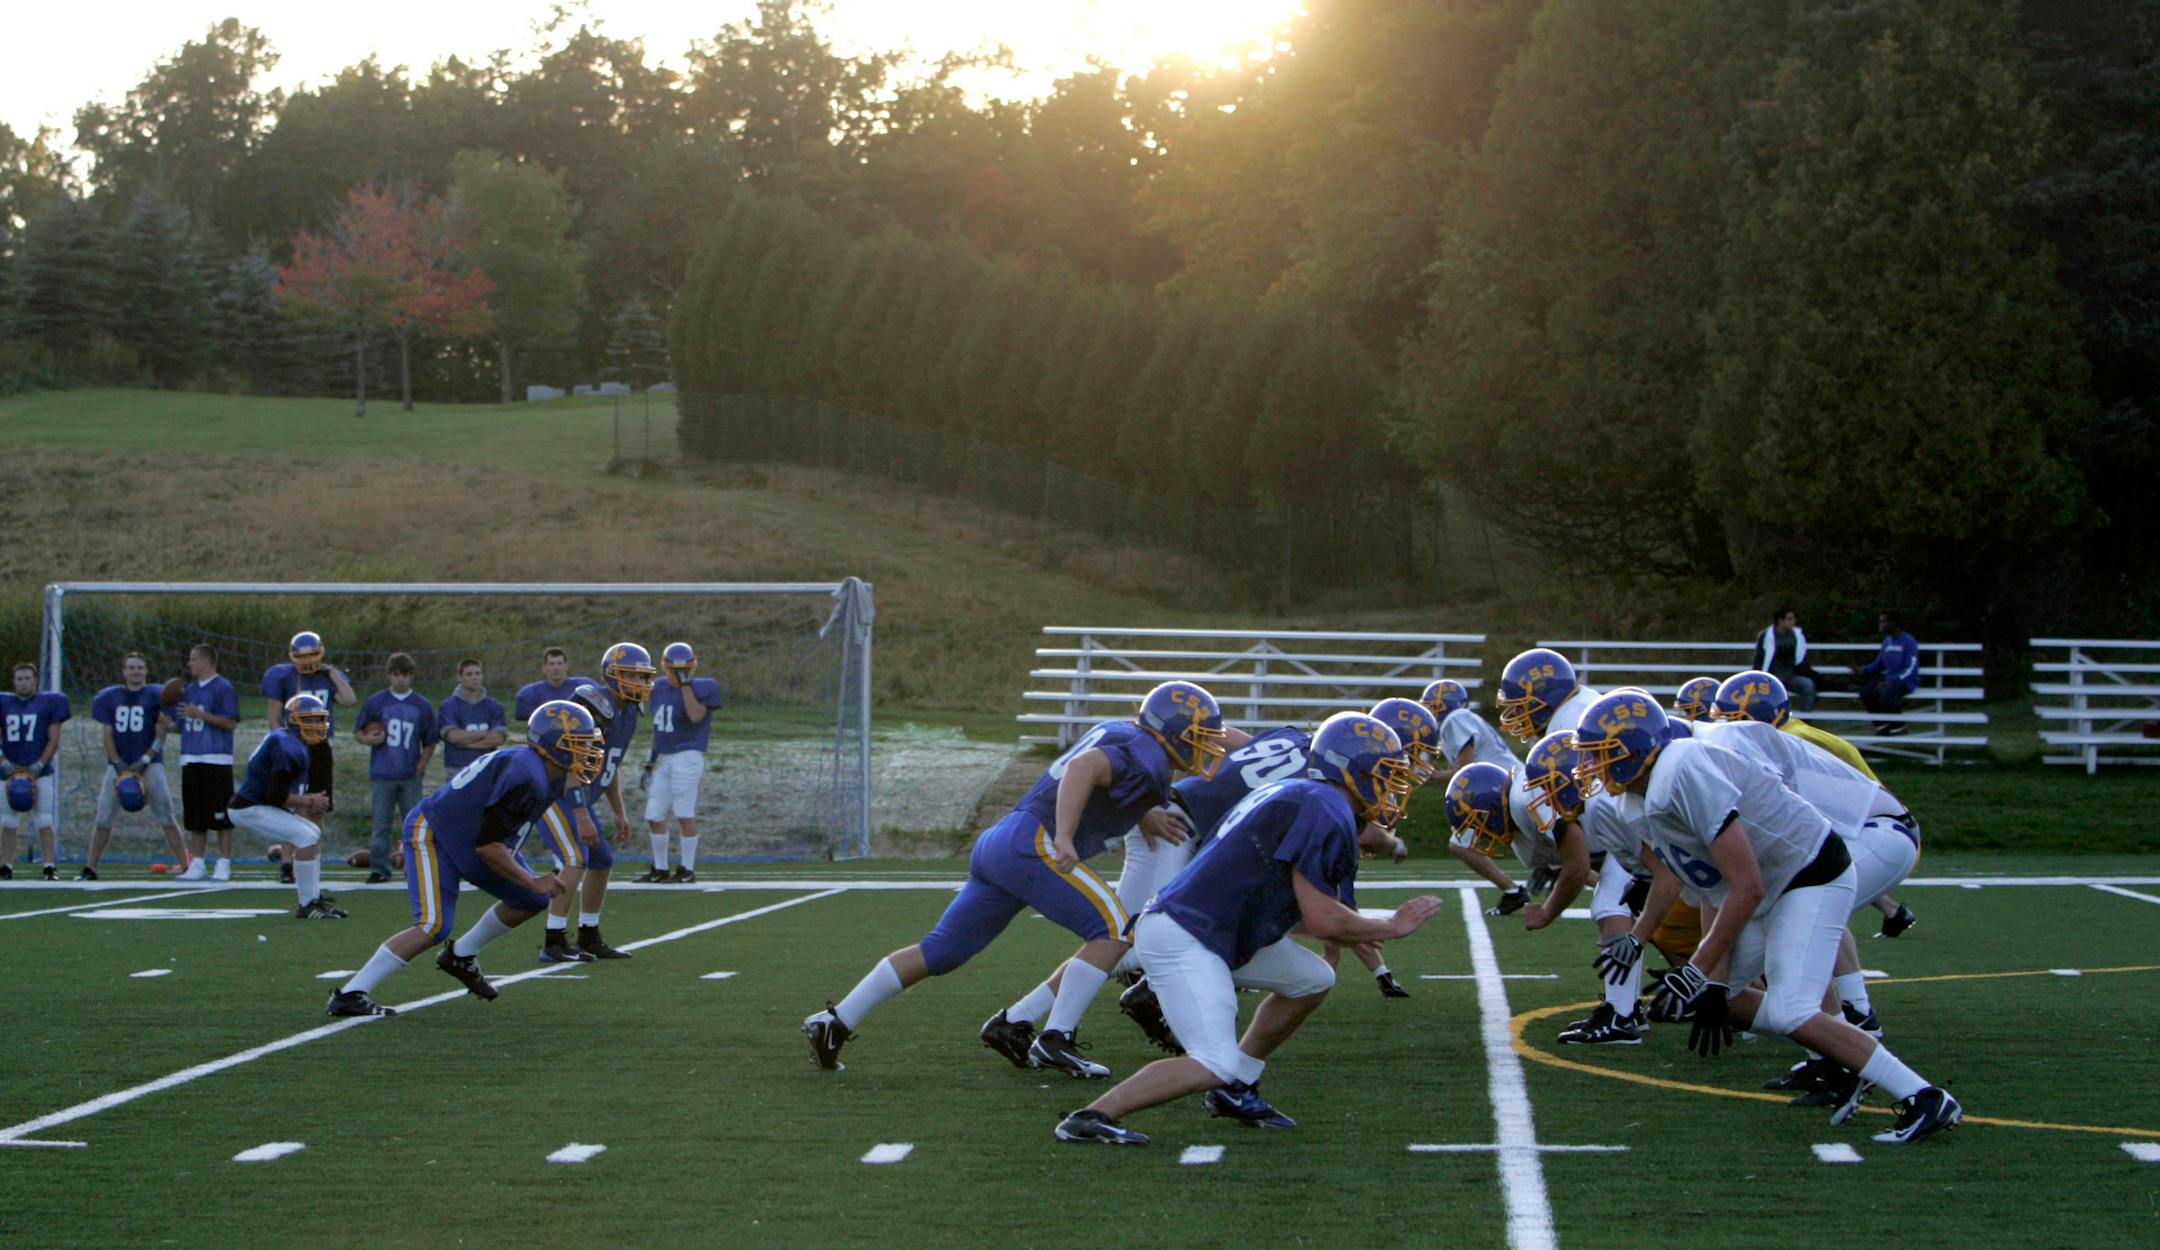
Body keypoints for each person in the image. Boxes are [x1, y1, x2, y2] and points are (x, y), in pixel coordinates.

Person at [1571, 690, 1962, 1145]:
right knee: (1733, 1002)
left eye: (1603, 755)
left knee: (1792, 1010)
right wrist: (1713, 984)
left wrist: (1696, 968)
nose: (1593, 768)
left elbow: (1747, 885)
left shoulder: (1682, 768)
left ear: (1638, 751)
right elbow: (1713, 890)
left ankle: (1924, 1096)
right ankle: (1847, 1058)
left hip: (1810, 875)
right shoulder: (1636, 802)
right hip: (1772, 884)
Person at [1052, 712, 1443, 1145]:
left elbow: (1311, 914)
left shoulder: (1306, 796)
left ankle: (1238, 1086)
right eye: (1383, 774)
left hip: (1214, 928)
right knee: (1211, 1062)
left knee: (1311, 979)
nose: (1391, 787)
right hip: (1187, 934)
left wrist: (1353, 928)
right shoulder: (1324, 806)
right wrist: (1393, 925)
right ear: (1347, 767)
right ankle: (1091, 1117)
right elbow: (1323, 919)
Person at [804, 681, 1230, 1076]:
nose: (1204, 747)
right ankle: (1055, 1037)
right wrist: (1063, 835)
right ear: (1173, 731)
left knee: (941, 951)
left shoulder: (1126, 734)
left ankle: (835, 1020)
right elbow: (1083, 769)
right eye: (1199, 736)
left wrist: (1142, 812)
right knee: (1115, 930)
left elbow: (1101, 781)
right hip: (1034, 843)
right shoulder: (1147, 754)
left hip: (1002, 844)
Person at [325, 701, 603, 1017]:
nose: (587, 753)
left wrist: (579, 817)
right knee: (433, 925)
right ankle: (349, 994)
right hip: (436, 834)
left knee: (530, 900)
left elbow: (493, 837)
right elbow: (488, 846)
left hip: (472, 839)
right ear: (553, 746)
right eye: (579, 745)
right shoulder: (528, 774)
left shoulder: (543, 768)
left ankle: (461, 955)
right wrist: (532, 880)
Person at [1713, 671, 1917, 936]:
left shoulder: (1793, 740)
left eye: (1735, 720)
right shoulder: (1778, 735)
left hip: (1865, 826)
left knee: (1802, 911)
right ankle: (1890, 914)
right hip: (1843, 823)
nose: (1725, 729)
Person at [531, 644, 654, 962]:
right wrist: (583, 814)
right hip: (555, 797)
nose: (639, 683)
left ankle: (589, 935)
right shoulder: (594, 705)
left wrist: (619, 811)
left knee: (601, 861)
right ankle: (553, 940)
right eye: (631, 675)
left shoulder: (627, 710)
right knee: (575, 860)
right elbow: (575, 761)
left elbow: (607, 765)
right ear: (611, 674)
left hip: (579, 799)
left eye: (643, 676)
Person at [228, 694, 345, 919]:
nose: (317, 726)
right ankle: (307, 904)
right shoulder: (286, 745)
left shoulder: (294, 742)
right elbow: (276, 795)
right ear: (293, 720)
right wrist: (310, 801)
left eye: (320, 720)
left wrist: (307, 798)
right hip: (248, 808)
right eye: (309, 720)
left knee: (311, 832)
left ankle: (313, 899)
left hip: (259, 804)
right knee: (306, 836)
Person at [81, 653, 190, 879]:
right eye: (131, 667)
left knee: (166, 816)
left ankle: (186, 867)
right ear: (123, 671)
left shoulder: (156, 694)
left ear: (146, 670)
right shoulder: (110, 697)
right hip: (118, 765)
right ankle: (90, 868)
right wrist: (117, 762)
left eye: (140, 667)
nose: (136, 671)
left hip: (150, 764)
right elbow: (107, 734)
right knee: (103, 818)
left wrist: (146, 759)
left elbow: (162, 731)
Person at [262, 632, 357, 883]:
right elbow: (273, 717)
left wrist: (333, 672)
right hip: (293, 746)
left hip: (319, 747)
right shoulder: (284, 677)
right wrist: (281, 743)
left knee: (317, 806)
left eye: (311, 655)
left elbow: (349, 699)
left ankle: (310, 860)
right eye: (301, 656)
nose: (306, 661)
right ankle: (286, 863)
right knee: (290, 807)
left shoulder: (326, 678)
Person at [638, 641, 723, 883]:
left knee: (684, 813)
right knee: (654, 814)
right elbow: (658, 729)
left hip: (688, 755)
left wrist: (685, 685)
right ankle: (661, 868)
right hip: (665, 757)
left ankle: (687, 869)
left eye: (684, 669)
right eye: (675, 670)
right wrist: (650, 761)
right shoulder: (658, 688)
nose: (679, 673)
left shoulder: (702, 687)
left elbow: (696, 716)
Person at [355, 654, 438, 885]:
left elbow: (431, 740)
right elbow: (359, 731)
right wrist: (369, 740)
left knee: (414, 825)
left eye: (405, 675)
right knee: (380, 825)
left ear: (412, 675)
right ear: (390, 675)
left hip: (410, 774)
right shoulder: (376, 702)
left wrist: (421, 765)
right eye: (397, 675)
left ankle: (414, 868)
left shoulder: (422, 705)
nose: (401, 679)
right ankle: (380, 869)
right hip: (383, 773)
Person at [172, 644, 241, 882]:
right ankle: (198, 862)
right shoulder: (189, 690)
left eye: (193, 659)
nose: (189, 664)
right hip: (191, 756)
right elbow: (182, 725)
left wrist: (200, 715)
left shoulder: (223, 687)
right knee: (195, 816)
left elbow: (230, 722)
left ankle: (223, 863)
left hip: (216, 758)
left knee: (221, 816)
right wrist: (164, 724)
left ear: (206, 661)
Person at [1, 661, 69, 880]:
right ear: (14, 681)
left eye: (27, 678)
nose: (23, 683)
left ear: (35, 680)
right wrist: (2, 761)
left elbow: (54, 738)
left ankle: (49, 866)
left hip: (40, 770)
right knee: (7, 820)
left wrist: (40, 763)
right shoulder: (4, 702)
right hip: (8, 770)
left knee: (43, 819)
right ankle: (6, 866)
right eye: (19, 678)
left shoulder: (48, 702)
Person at [1494, 648, 1603, 744]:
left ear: (1543, 699)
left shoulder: (1569, 721)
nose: (1515, 713)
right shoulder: (1580, 698)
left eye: (1520, 707)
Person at [1421, 678, 1516, 777]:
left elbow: (1465, 772)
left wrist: (1434, 774)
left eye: (1432, 707)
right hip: (1508, 781)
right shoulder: (1461, 719)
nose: (1428, 713)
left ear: (1443, 706)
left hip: (1512, 784)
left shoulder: (1456, 717)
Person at [437, 659, 508, 777]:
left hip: (487, 766)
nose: (474, 677)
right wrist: (484, 734)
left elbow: (497, 739)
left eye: (477, 673)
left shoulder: (494, 706)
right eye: (469, 674)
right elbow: (454, 737)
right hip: (457, 768)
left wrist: (465, 744)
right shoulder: (449, 705)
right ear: (460, 677)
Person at [1752, 606, 1826, 713]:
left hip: (1791, 676)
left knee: (1808, 685)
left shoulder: (1797, 635)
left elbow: (1801, 658)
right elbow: (1759, 658)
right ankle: (1778, 719)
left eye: (1793, 619)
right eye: (1789, 619)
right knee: (1778, 695)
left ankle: (1806, 719)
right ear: (1780, 621)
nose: (1793, 622)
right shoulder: (1766, 636)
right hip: (1772, 678)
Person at [1858, 612, 1922, 735]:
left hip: (1905, 681)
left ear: (1893, 623)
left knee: (1887, 693)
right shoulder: (1887, 641)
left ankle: (1900, 726)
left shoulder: (1908, 641)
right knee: (1866, 692)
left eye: (1884, 622)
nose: (1881, 625)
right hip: (1889, 680)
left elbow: (1911, 667)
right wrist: (1863, 669)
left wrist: (1892, 681)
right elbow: (1879, 664)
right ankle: (1882, 724)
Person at [513, 647, 593, 721]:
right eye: (551, 664)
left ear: (566, 666)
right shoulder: (531, 693)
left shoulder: (582, 686)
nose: (556, 668)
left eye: (559, 663)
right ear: (544, 667)